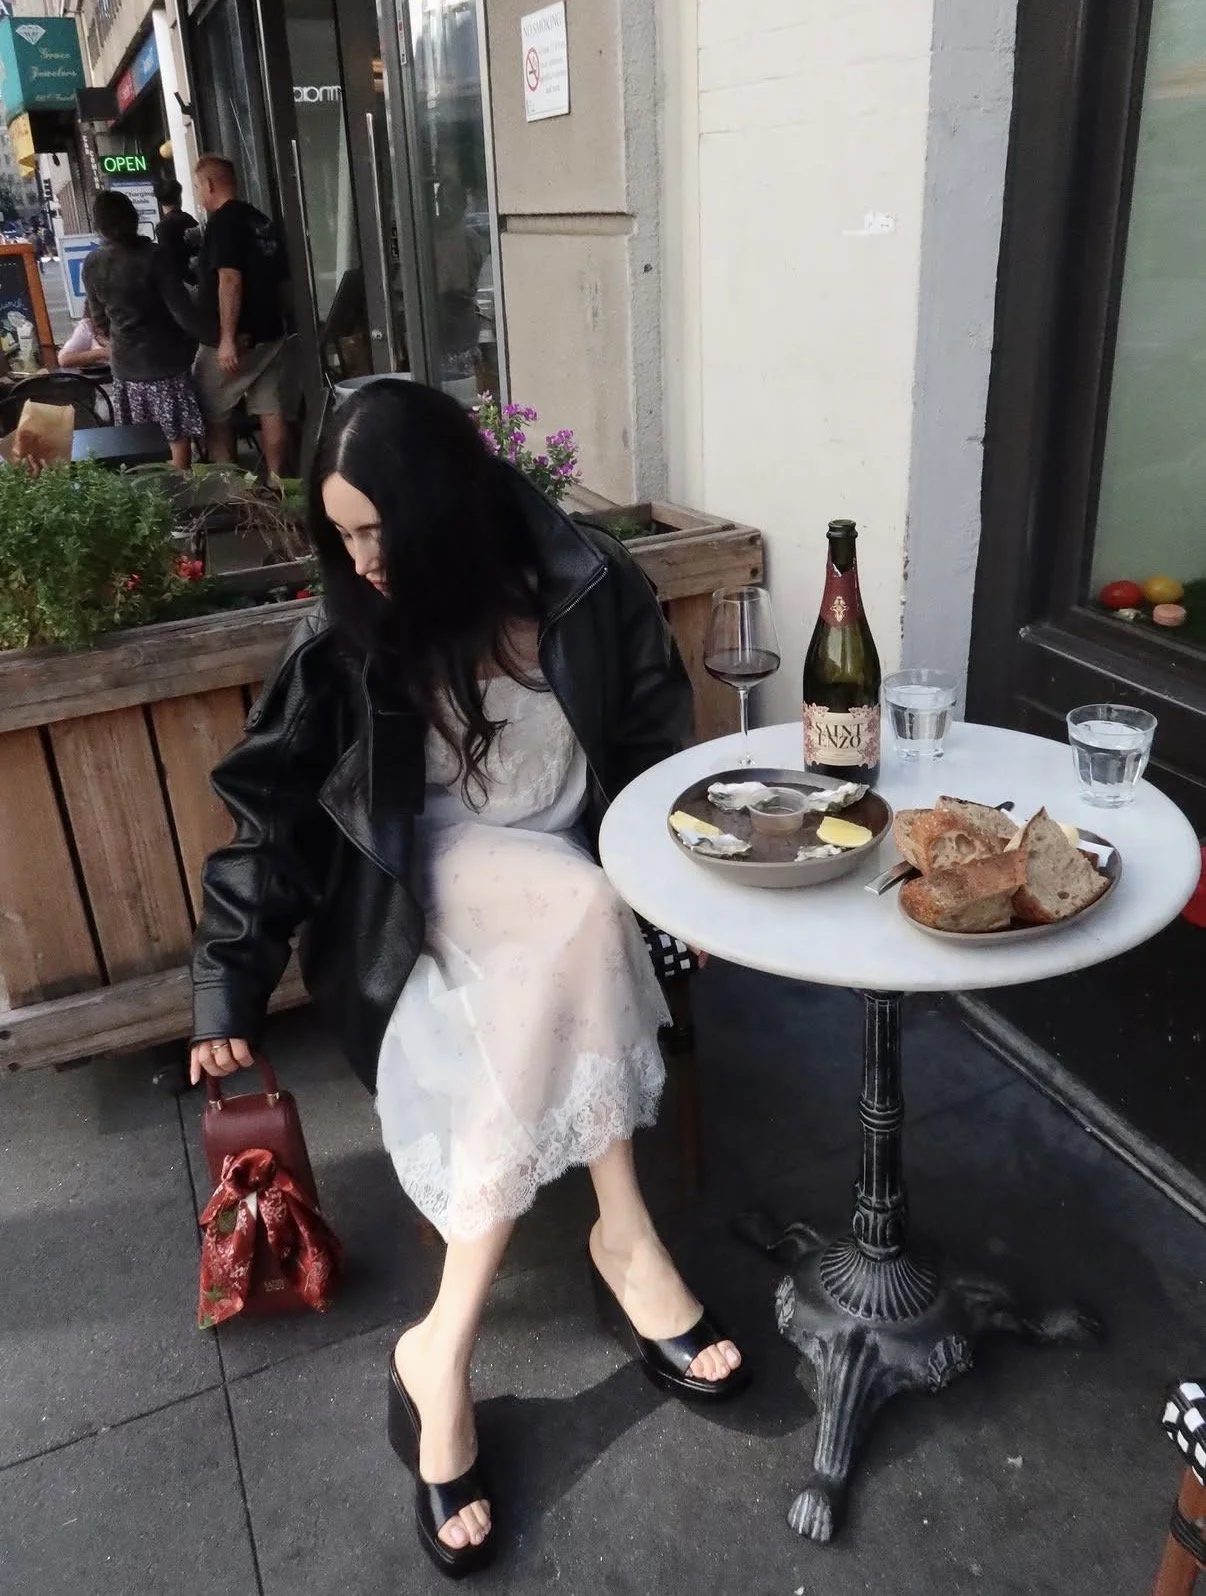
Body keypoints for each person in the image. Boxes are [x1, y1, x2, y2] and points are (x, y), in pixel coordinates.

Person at [189, 380, 747, 1578]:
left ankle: (443, 1345)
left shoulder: (589, 585)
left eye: (379, 530)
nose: (361, 558)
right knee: (581, 913)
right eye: (342, 534)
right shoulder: (344, 637)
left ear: (447, 505)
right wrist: (224, 988)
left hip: (566, 863)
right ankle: (623, 1242)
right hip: (422, 873)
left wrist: (684, 884)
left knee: (580, 915)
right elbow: (268, 820)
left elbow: (653, 752)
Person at [82, 189, 204, 470]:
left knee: (139, 443)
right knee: (175, 438)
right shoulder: (155, 255)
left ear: (99, 224)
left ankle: (150, 504)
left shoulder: (93, 263)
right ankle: (181, 499)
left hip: (126, 366)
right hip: (166, 362)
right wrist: (210, 335)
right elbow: (181, 310)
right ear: (133, 218)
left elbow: (98, 320)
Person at [191, 153, 290, 476]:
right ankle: (277, 481)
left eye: (197, 186)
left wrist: (227, 339)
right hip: (270, 333)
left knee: (209, 408)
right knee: (270, 408)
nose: (198, 194)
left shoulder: (224, 222)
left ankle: (229, 487)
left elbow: (230, 280)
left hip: (238, 339)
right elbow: (283, 281)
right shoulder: (262, 222)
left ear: (209, 183)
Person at [154, 176, 200, 284]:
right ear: (179, 198)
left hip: (181, 283)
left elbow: (170, 262)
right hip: (198, 277)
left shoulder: (162, 227)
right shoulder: (189, 220)